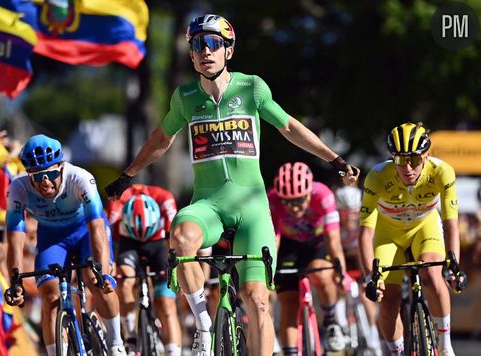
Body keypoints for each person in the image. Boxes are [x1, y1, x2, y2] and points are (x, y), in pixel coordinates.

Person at [105, 14, 359, 355]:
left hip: (251, 208)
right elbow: (161, 139)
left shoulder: (251, 87)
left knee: (258, 301)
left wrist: (334, 158)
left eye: (213, 44)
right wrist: (128, 175)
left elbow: (289, 127)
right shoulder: (185, 97)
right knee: (181, 237)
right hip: (208, 204)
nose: (205, 51)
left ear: (228, 51)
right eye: (197, 45)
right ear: (191, 55)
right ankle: (203, 325)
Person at [3, 134, 127, 356]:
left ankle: (117, 343)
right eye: (37, 176)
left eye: (50, 173)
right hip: (52, 238)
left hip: (85, 233)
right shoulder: (17, 189)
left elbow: (97, 228)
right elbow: (14, 239)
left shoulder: (80, 178)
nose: (45, 182)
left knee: (94, 280)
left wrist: (104, 273)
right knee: (49, 294)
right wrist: (15, 281)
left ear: (61, 167)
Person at [358, 122, 462, 356]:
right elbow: (365, 233)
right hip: (388, 236)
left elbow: (450, 223)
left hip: (424, 228)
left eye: (414, 160)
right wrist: (370, 278)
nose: (407, 168)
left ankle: (445, 347)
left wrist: (453, 265)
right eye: (400, 160)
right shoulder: (377, 176)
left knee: (433, 275)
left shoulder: (441, 172)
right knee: (388, 299)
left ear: (426, 155)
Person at [268, 162, 348, 355]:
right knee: (288, 300)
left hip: (317, 244)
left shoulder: (323, 195)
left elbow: (334, 240)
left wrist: (341, 272)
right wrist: (268, 274)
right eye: (287, 202)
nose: (293, 208)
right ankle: (290, 351)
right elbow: (273, 239)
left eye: (298, 201)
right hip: (289, 246)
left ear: (309, 193)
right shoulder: (272, 198)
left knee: (322, 273)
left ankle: (330, 319)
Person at [107, 184, 182, 355]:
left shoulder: (166, 199)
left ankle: (173, 351)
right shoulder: (117, 205)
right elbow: (108, 242)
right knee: (125, 281)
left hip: (158, 243)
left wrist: (175, 270)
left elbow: (175, 242)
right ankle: (130, 335)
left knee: (166, 304)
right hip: (128, 242)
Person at [334, 185, 382, 354]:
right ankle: (341, 324)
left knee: (364, 292)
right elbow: (333, 250)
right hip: (343, 260)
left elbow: (371, 248)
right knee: (338, 285)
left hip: (360, 259)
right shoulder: (335, 225)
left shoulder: (365, 221)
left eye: (355, 212)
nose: (351, 218)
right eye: (347, 213)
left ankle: (373, 332)